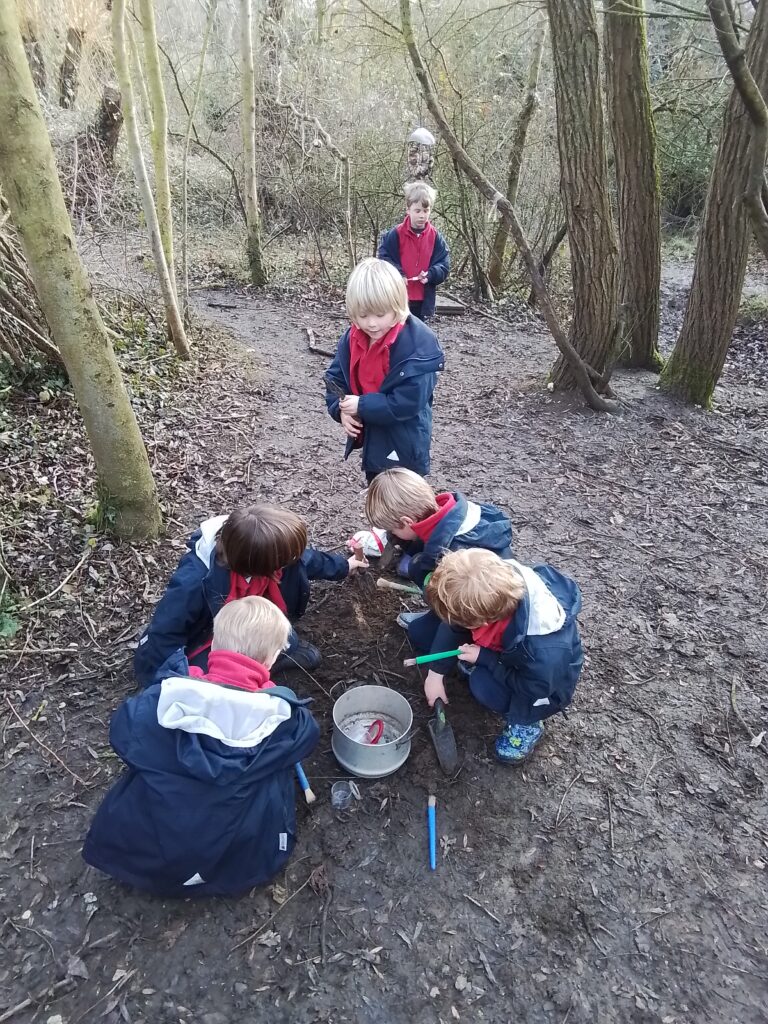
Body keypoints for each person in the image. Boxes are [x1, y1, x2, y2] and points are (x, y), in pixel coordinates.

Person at [83, 597, 320, 897]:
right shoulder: (282, 718)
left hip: (148, 854)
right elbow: (308, 737)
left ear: (214, 646)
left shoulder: (167, 697)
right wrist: (277, 695)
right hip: (239, 858)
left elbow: (122, 733)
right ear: (271, 661)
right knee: (274, 773)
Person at [133, 504, 367, 686]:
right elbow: (165, 634)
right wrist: (173, 681)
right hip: (212, 638)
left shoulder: (266, 547)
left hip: (251, 618)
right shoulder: (194, 582)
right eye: (287, 560)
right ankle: (246, 673)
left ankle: (264, 660)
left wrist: (344, 566)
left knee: (289, 640)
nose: (293, 560)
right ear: (258, 565)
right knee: (218, 680)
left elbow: (306, 559)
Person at [408, 548, 583, 765]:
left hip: (543, 689)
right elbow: (454, 626)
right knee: (438, 641)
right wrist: (435, 674)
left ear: (482, 623)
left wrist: (487, 659)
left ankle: (527, 725)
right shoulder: (493, 589)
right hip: (513, 651)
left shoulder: (545, 652)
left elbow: (533, 688)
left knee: (483, 685)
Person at [324, 258, 445, 482]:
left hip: (404, 440)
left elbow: (409, 401)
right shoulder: (353, 338)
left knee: (405, 501)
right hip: (373, 436)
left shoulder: (419, 346)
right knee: (377, 490)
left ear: (397, 306)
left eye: (380, 315)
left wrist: (362, 405)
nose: (371, 324)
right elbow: (334, 378)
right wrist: (340, 410)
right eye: (363, 315)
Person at [364, 467, 513, 588]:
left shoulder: (453, 553)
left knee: (420, 570)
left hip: (480, 600)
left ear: (407, 522)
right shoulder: (449, 511)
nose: (392, 533)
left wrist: (423, 574)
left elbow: (459, 596)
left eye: (393, 529)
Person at [378, 181, 450, 321]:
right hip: (397, 296)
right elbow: (384, 258)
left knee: (418, 336)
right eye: (417, 211)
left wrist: (431, 274)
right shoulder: (395, 234)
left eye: (426, 211)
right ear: (408, 209)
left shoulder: (436, 237)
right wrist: (399, 274)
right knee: (396, 333)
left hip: (422, 300)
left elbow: (444, 264)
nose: (422, 215)